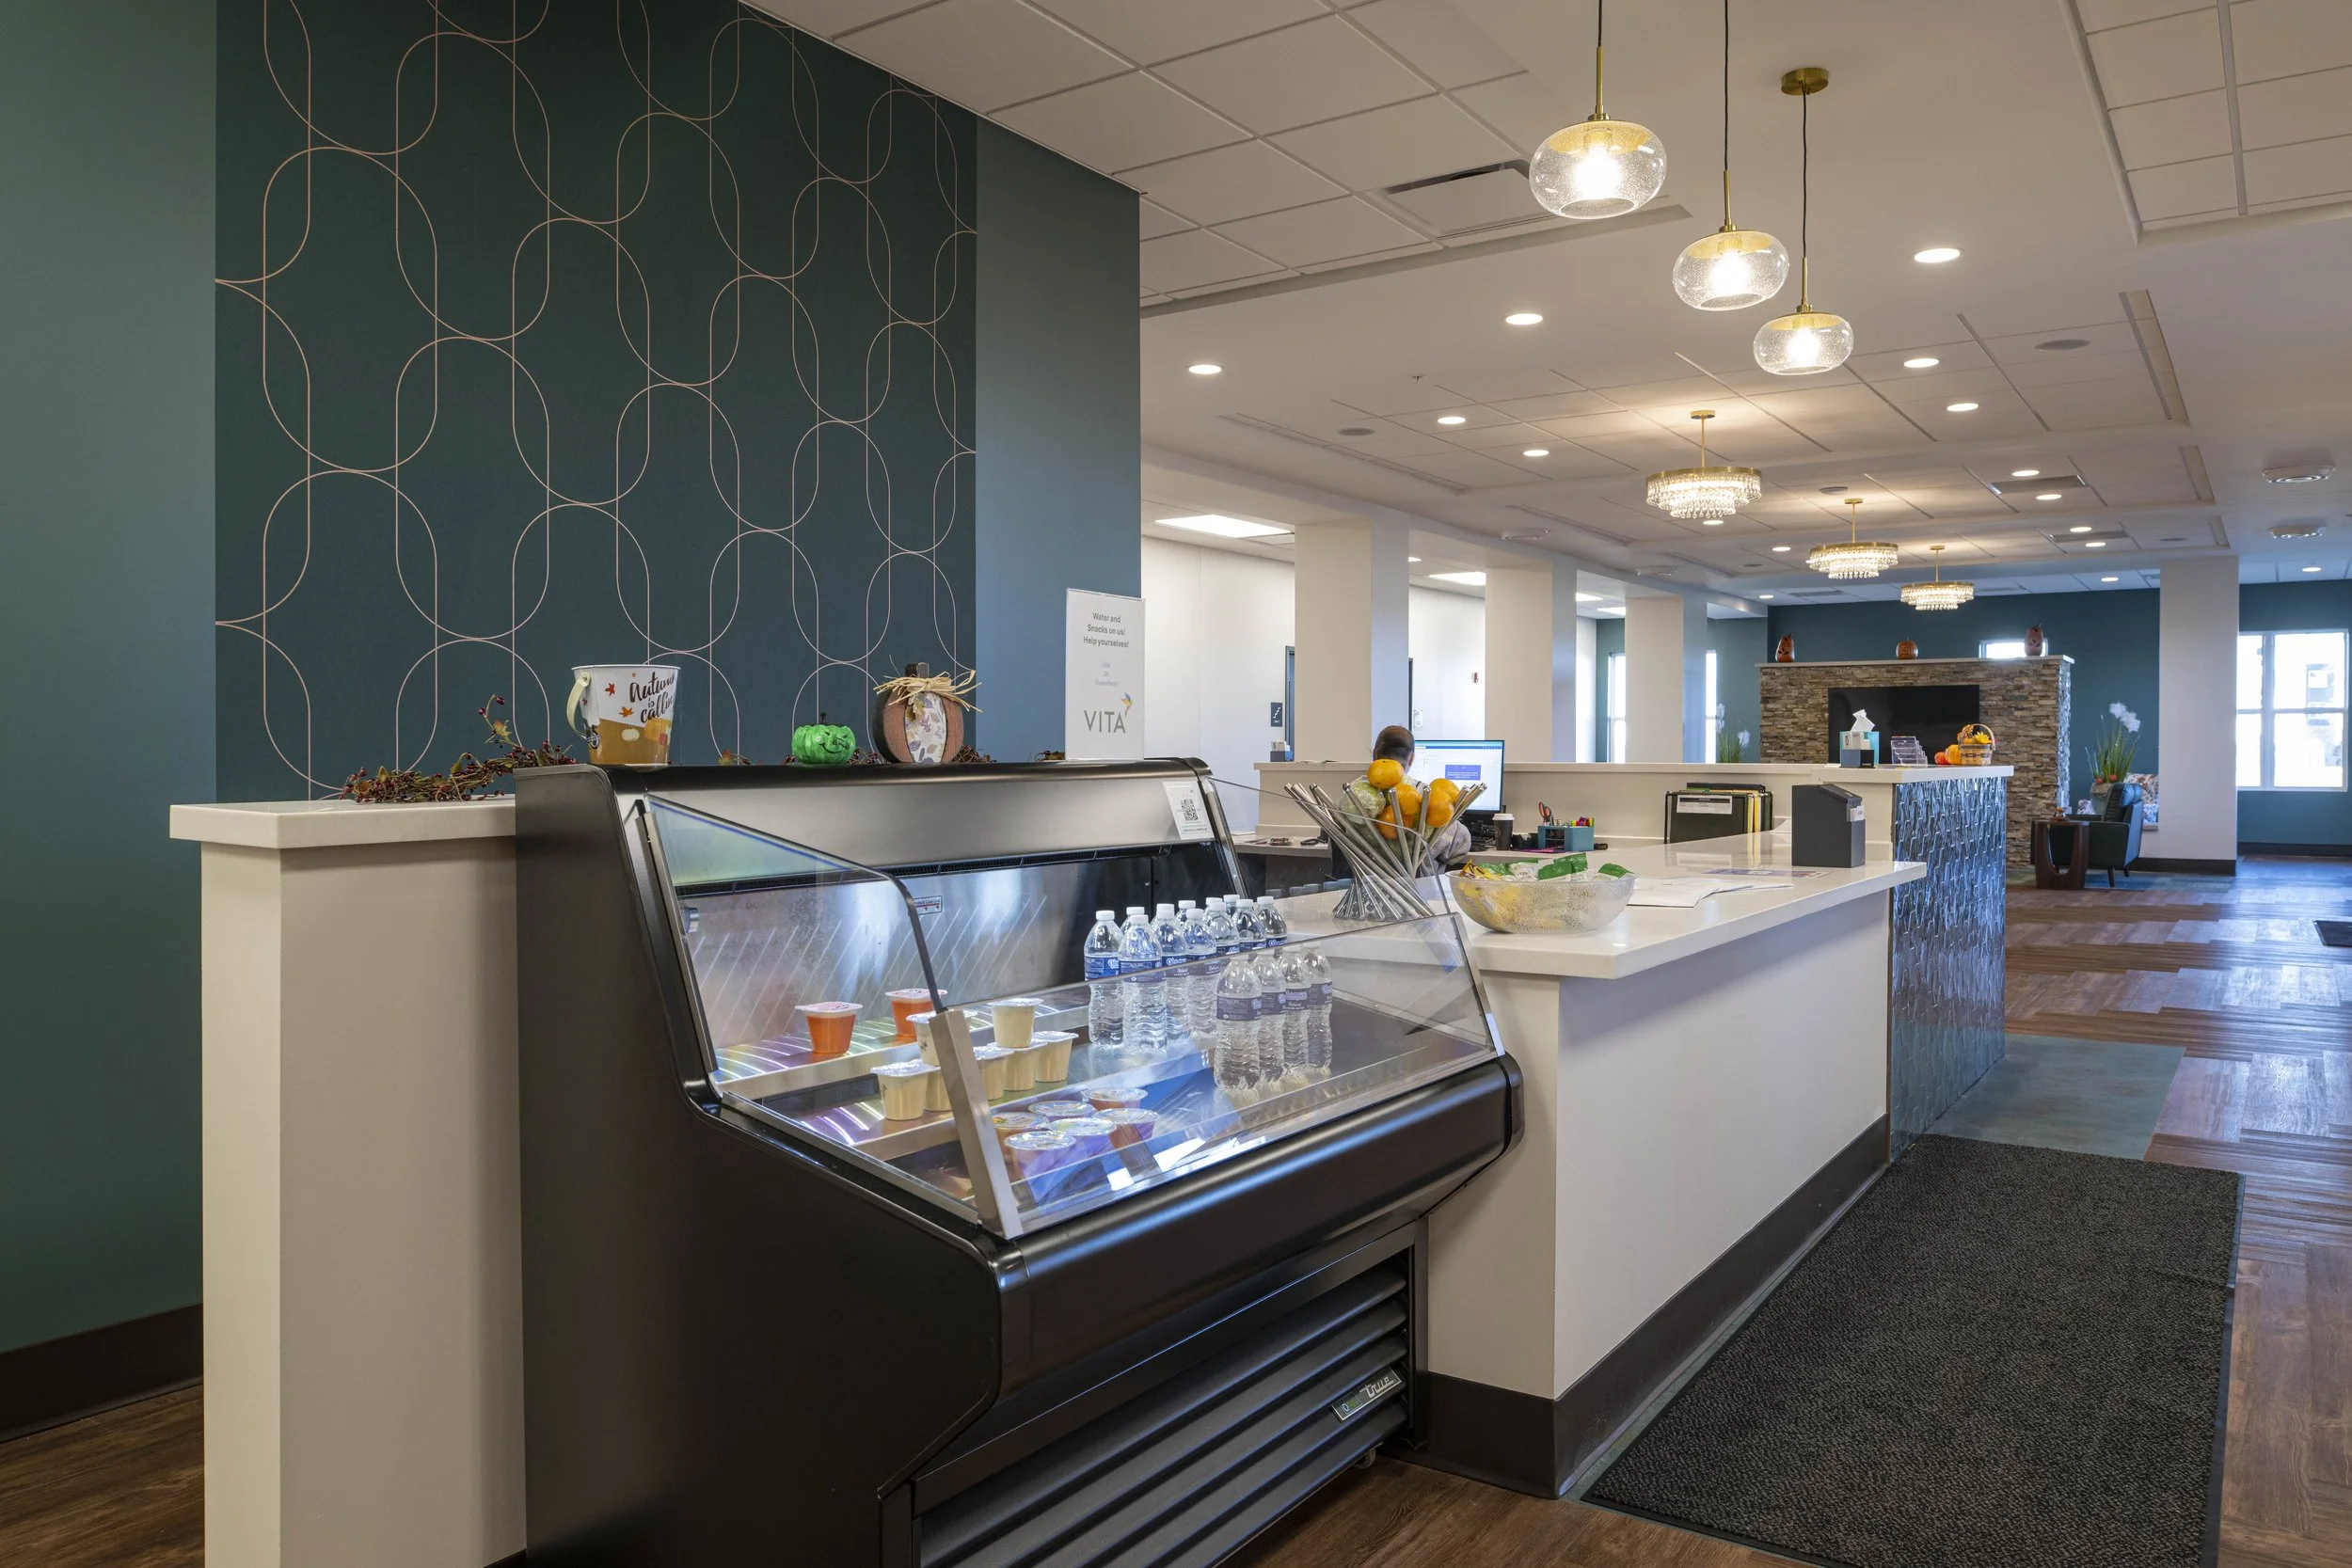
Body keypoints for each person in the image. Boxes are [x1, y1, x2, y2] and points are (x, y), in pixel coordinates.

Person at [1344, 725, 1473, 869]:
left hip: (1362, 880)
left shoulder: (1352, 795)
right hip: (1416, 883)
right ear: (1411, 758)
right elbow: (1461, 844)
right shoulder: (1425, 797)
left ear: (1375, 754)